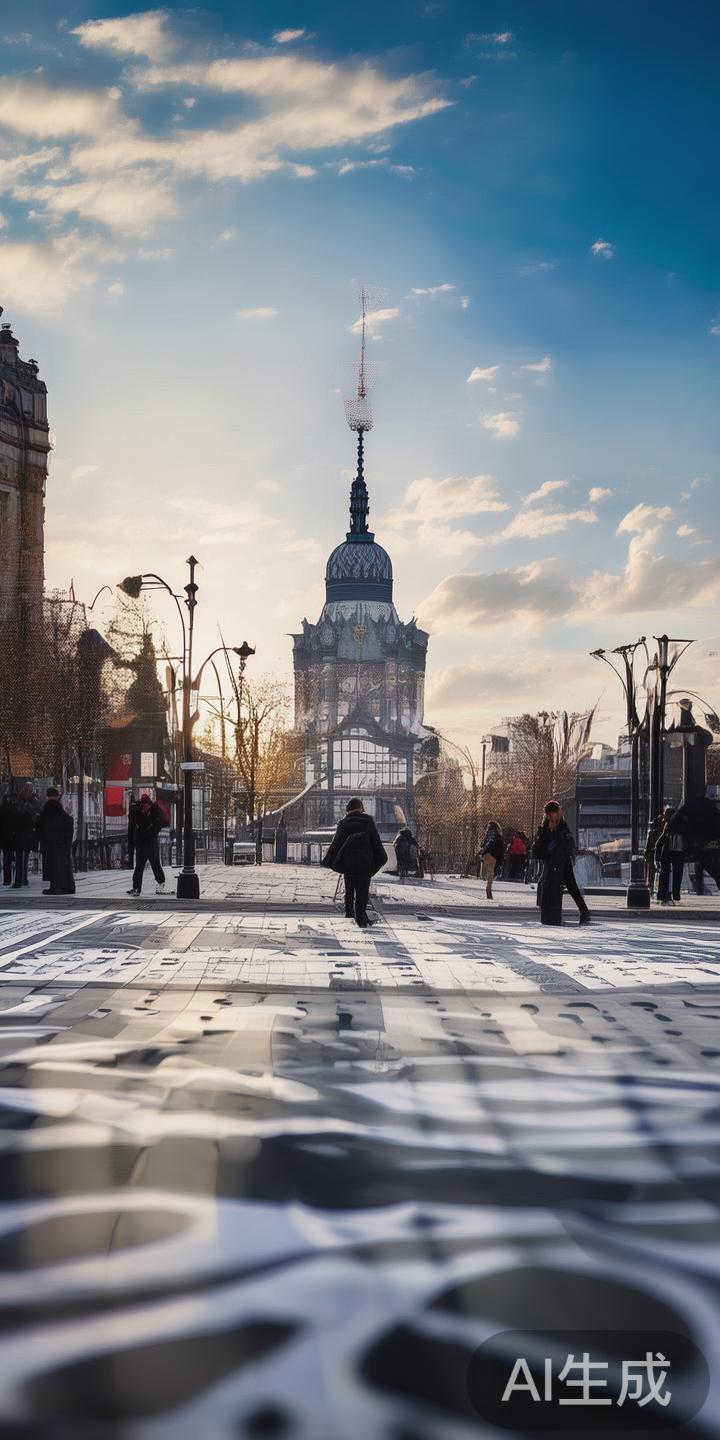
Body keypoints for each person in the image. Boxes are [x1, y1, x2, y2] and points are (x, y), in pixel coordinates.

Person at [321, 797, 388, 928]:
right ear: (361, 808)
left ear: (348, 810)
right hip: (365, 863)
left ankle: (349, 913)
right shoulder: (368, 821)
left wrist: (330, 860)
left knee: (349, 888)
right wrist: (381, 859)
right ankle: (361, 918)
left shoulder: (343, 823)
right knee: (363, 892)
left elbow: (336, 844)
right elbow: (376, 842)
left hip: (348, 864)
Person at [532, 800, 591, 926]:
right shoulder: (545, 827)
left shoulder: (562, 827)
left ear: (556, 813)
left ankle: (584, 911)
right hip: (552, 862)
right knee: (551, 885)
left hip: (562, 862)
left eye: (551, 814)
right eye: (547, 814)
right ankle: (552, 913)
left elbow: (568, 844)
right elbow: (539, 846)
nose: (549, 816)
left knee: (570, 885)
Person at [36, 788, 75, 895]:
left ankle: (55, 887)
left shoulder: (48, 807)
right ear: (57, 796)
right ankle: (68, 887)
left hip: (50, 841)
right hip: (62, 842)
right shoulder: (60, 809)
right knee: (64, 864)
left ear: (48, 796)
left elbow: (42, 823)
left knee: (52, 865)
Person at [127, 792, 166, 896]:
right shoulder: (139, 813)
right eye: (143, 805)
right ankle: (137, 887)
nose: (145, 807)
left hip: (149, 842)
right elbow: (132, 828)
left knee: (154, 865)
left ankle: (158, 883)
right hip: (143, 842)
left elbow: (158, 824)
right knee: (140, 866)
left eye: (146, 805)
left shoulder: (153, 813)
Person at [655, 804, 690, 905]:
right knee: (677, 875)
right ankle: (675, 896)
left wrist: (656, 858)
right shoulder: (681, 825)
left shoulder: (668, 825)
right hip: (679, 852)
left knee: (664, 874)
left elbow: (659, 842)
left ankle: (663, 895)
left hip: (667, 852)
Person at [12, 783, 40, 889]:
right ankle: (21, 880)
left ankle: (21, 880)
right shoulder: (26, 800)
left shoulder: (28, 800)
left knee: (22, 857)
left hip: (25, 832)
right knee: (21, 857)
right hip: (23, 832)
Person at [479, 820, 505, 899]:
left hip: (485, 855)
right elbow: (501, 847)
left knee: (489, 871)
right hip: (493, 855)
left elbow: (482, 844)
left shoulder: (488, 834)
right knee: (491, 873)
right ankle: (488, 890)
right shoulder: (497, 835)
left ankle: (483, 875)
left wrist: (483, 851)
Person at [644, 812, 665, 894]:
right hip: (659, 854)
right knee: (657, 871)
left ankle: (651, 887)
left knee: (651, 872)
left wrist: (646, 854)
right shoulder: (663, 832)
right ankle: (656, 887)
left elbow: (648, 845)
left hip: (653, 854)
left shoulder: (652, 832)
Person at [0, 793, 17, 887]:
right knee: (8, 859)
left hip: (2, 837)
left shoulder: (1, 810)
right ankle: (7, 879)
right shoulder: (12, 811)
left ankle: (7, 879)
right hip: (9, 838)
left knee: (7, 859)